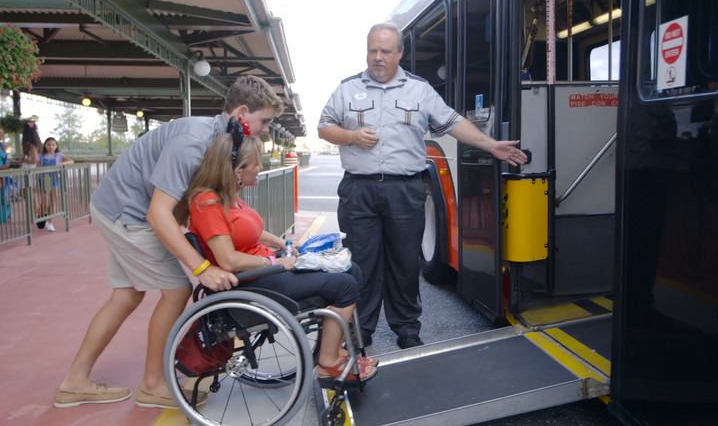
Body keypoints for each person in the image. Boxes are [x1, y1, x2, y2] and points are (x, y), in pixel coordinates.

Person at [54, 75, 284, 409]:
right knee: (177, 291)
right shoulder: (193, 141)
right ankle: (153, 385)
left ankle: (74, 382)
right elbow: (158, 214)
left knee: (126, 297)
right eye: (264, 121)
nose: (265, 129)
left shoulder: (218, 137)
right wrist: (201, 267)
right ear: (242, 112)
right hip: (127, 211)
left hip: (117, 205)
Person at [318, 22, 528, 349]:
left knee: (404, 263)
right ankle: (361, 332)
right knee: (362, 264)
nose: (377, 58)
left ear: (400, 53)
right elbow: (324, 127)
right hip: (358, 191)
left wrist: (490, 145)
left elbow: (453, 122)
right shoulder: (346, 89)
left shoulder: (420, 90)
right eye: (372, 50)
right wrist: (350, 136)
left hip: (405, 190)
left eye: (385, 51)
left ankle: (407, 330)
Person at [177, 133, 377, 387]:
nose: (261, 168)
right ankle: (328, 362)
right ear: (238, 170)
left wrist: (283, 245)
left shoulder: (228, 197)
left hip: (265, 272)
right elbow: (228, 260)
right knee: (344, 286)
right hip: (251, 283)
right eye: (257, 164)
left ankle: (337, 350)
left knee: (352, 270)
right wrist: (275, 264)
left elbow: (250, 231)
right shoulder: (207, 202)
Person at [37, 137, 74, 231]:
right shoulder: (41, 156)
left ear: (56, 146)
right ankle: (41, 215)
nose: (51, 146)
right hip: (44, 179)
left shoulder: (59, 155)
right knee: (45, 202)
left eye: (53, 144)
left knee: (53, 201)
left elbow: (71, 161)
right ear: (45, 145)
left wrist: (62, 164)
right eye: (48, 144)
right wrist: (36, 182)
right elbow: (36, 170)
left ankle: (50, 222)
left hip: (54, 179)